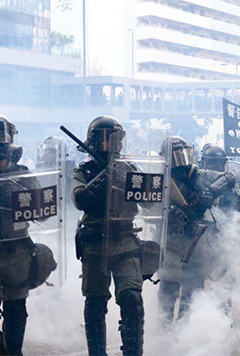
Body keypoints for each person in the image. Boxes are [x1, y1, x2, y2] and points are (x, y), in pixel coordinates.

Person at [72, 116, 145, 355]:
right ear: (95, 142)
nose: (116, 145)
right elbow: (81, 199)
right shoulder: (83, 171)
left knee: (132, 299)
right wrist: (106, 175)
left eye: (118, 140)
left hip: (125, 241)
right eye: (109, 140)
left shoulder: (130, 168)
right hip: (95, 243)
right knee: (95, 304)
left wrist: (132, 177)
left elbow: (152, 201)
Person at [157, 137, 240, 328]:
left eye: (184, 156)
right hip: (170, 241)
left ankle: (184, 331)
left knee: (193, 288)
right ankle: (163, 332)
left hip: (195, 241)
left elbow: (229, 178)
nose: (181, 162)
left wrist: (210, 192)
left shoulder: (197, 175)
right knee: (168, 288)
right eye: (176, 158)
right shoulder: (159, 180)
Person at [0, 114, 38, 355]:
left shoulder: (23, 174)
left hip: (17, 250)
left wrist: (13, 181)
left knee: (16, 308)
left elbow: (41, 210)